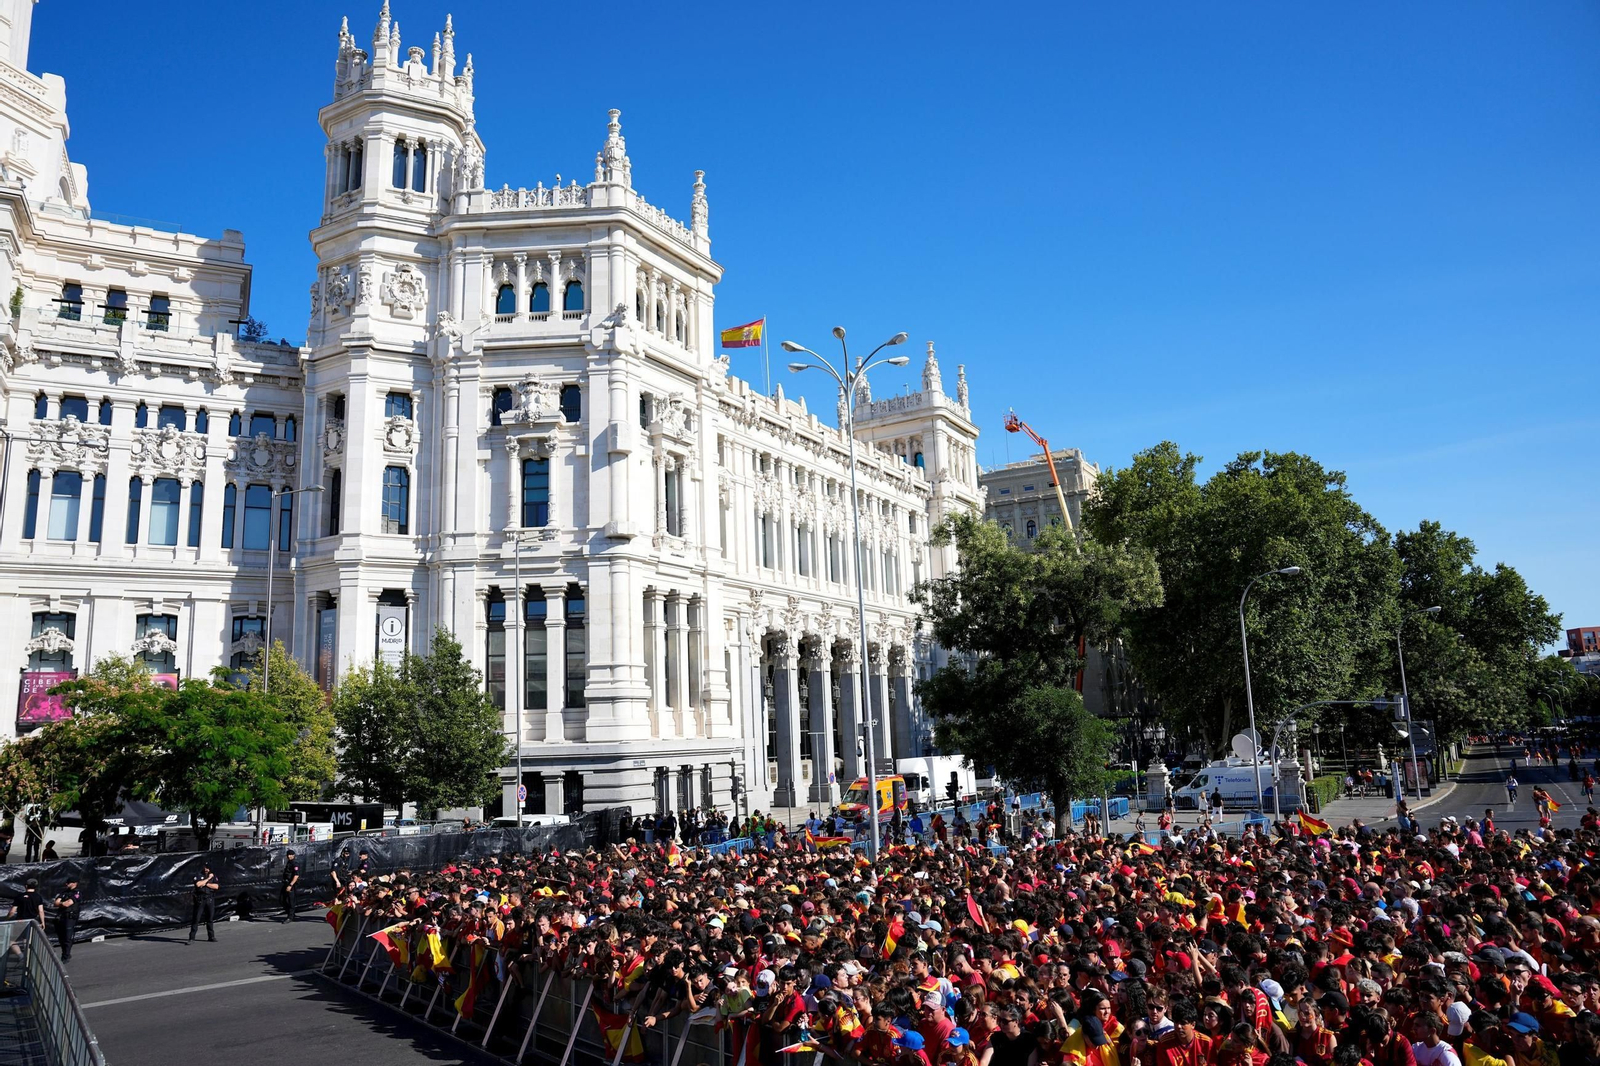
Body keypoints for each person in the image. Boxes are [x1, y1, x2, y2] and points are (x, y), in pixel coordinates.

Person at [52, 875, 79, 961]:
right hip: (61, 916)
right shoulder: (64, 892)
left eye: (69, 883)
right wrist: (62, 903)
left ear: (74, 884)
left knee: (67, 937)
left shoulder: (77, 893)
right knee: (61, 937)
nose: (67, 884)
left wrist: (62, 903)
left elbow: (67, 904)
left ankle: (66, 955)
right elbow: (56, 903)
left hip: (70, 917)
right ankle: (64, 953)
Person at [189, 864, 218, 943]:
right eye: (205, 867)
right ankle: (192, 938)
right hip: (200, 899)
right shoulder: (198, 875)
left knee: (210, 918)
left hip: (210, 899)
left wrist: (206, 884)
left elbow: (216, 886)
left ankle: (211, 936)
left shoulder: (213, 876)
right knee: (196, 919)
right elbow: (198, 884)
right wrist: (208, 879)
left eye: (208, 868)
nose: (206, 869)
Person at [280, 848, 300, 922]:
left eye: (291, 855)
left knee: (291, 901)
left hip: (291, 884)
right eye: (288, 855)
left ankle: (290, 917)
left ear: (294, 855)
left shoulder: (295, 864)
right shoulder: (289, 863)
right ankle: (292, 914)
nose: (289, 856)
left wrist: (290, 885)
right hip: (286, 883)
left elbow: (296, 875)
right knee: (285, 900)